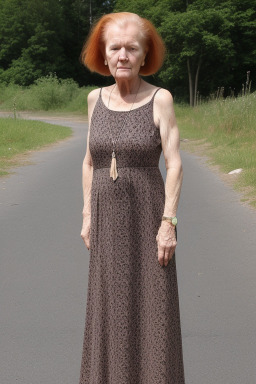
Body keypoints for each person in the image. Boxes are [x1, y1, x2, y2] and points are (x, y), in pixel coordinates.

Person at [79, 11, 185, 384]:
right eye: (115, 48)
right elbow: (90, 162)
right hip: (106, 221)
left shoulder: (160, 99)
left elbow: (174, 165)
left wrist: (168, 223)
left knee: (153, 309)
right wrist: (87, 215)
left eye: (131, 48)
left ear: (144, 56)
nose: (122, 55)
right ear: (103, 55)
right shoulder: (95, 99)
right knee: (109, 309)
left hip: (148, 221)